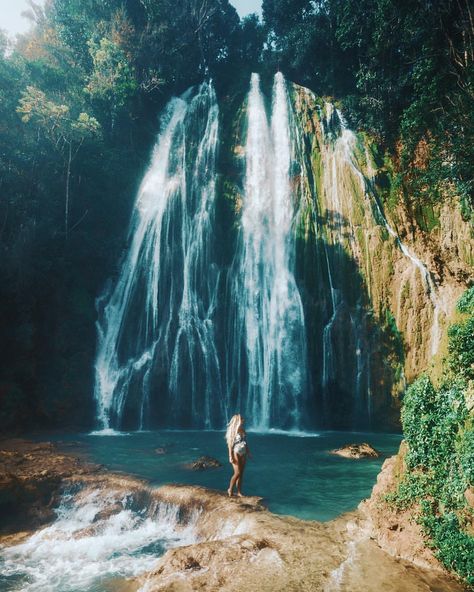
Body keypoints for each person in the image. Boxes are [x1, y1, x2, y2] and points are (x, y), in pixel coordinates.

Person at [225, 414, 251, 497]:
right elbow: (229, 444)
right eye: (241, 419)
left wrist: (248, 452)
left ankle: (239, 492)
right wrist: (230, 456)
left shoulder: (243, 430)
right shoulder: (232, 431)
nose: (243, 420)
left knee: (241, 474)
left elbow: (245, 442)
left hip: (243, 452)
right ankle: (230, 489)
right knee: (237, 473)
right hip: (235, 452)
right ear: (238, 420)